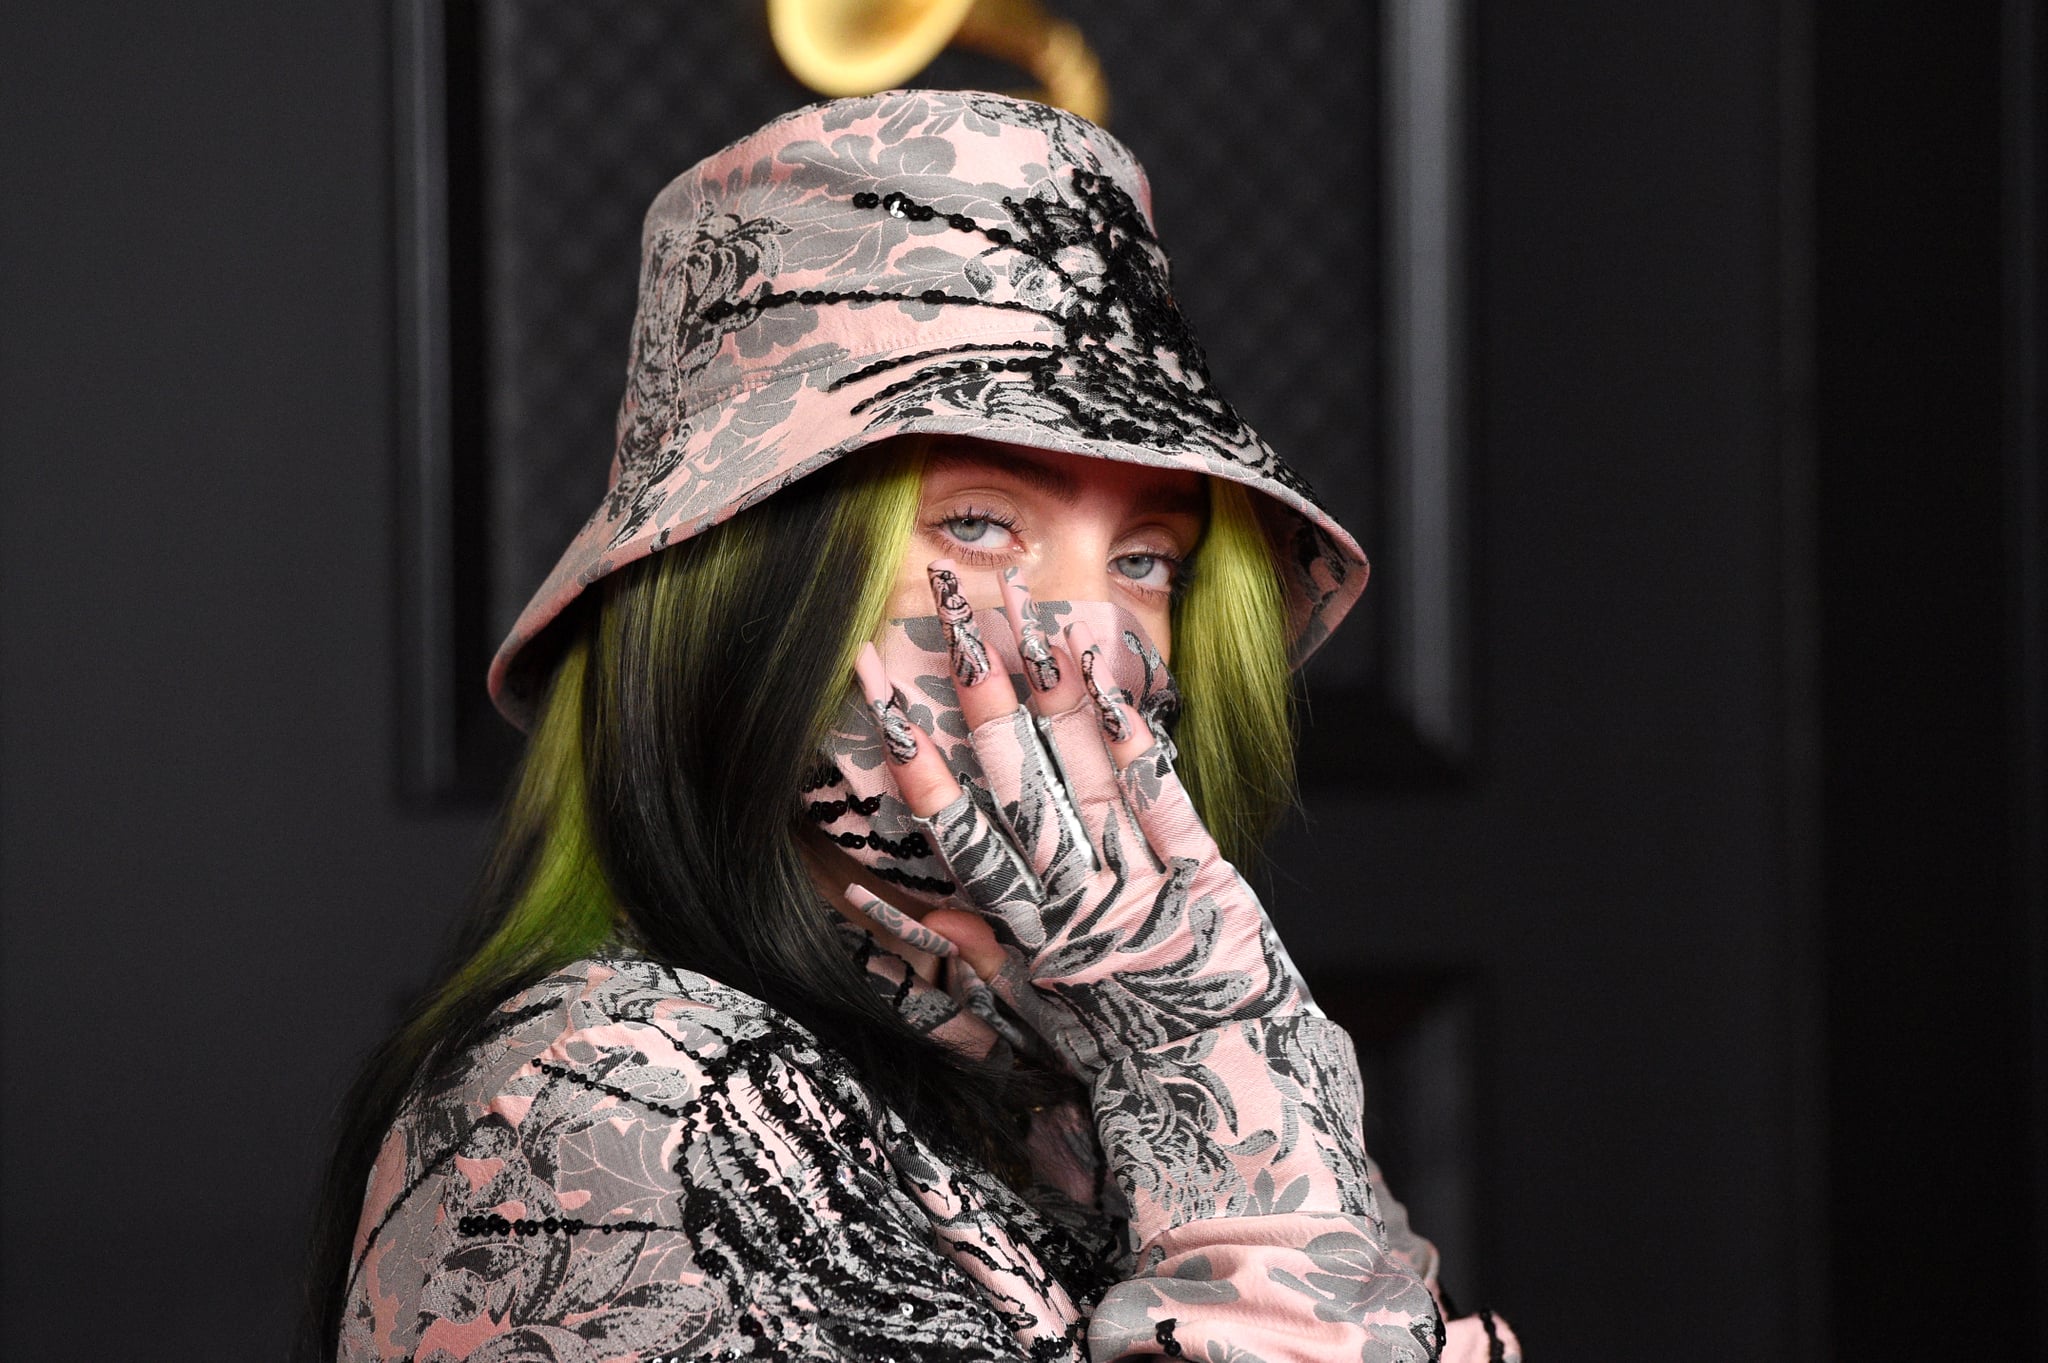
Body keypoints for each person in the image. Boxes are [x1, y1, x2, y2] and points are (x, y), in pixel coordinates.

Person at [306, 89, 1521, 1362]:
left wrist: (1185, 1092)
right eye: (980, 525)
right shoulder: (600, 1106)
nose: (1089, 636)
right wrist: (1221, 1074)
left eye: (1149, 559)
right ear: (752, 593)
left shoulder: (1078, 1080)